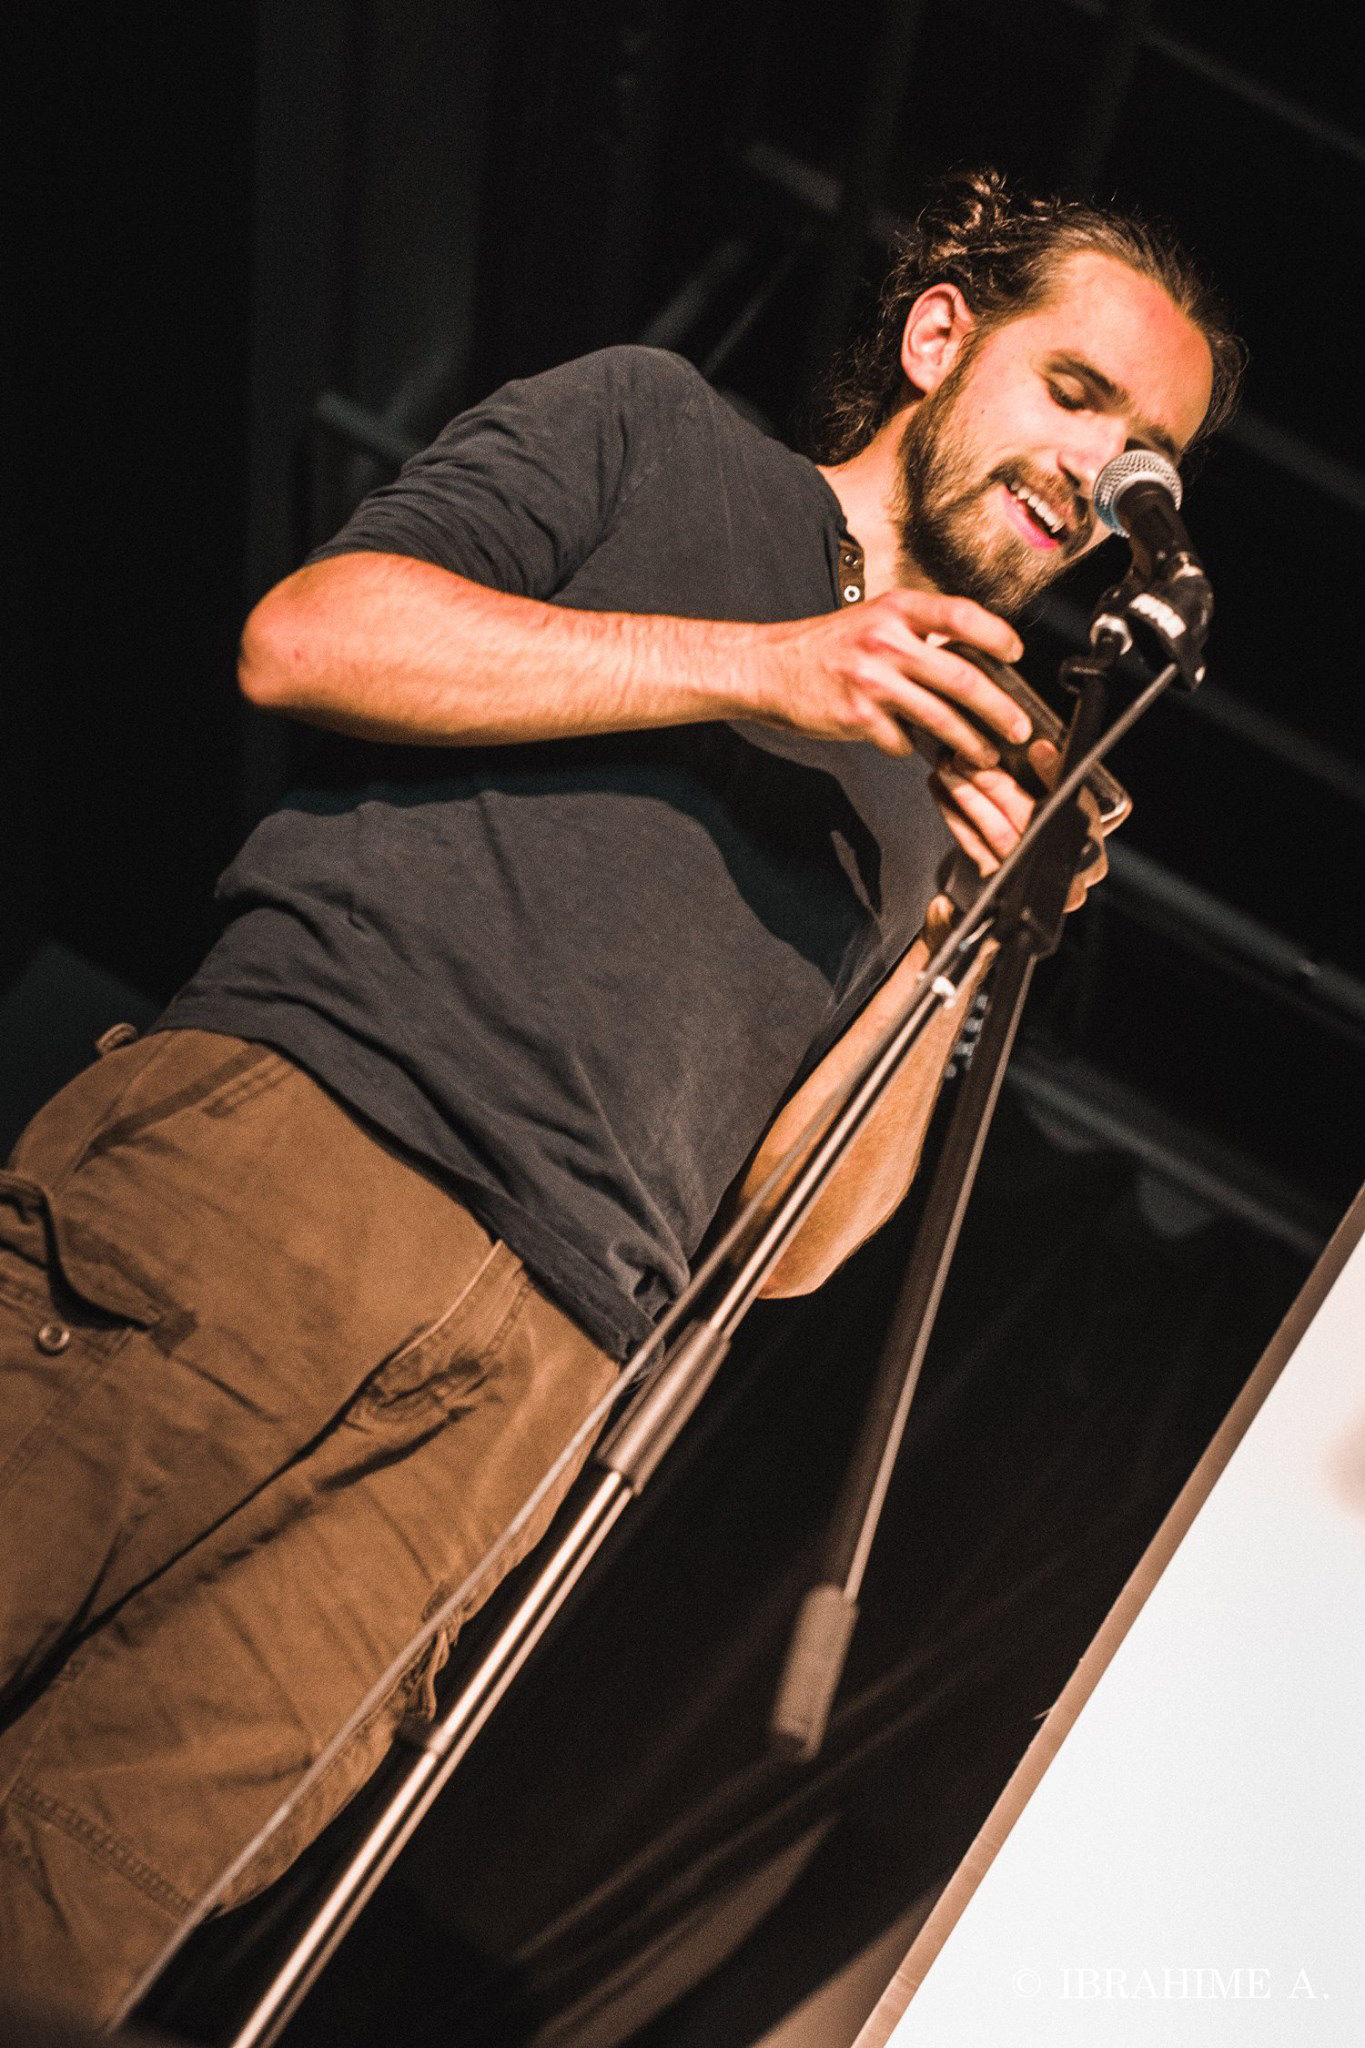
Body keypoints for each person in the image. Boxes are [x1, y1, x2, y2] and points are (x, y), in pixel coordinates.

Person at [0, 168, 1241, 2018]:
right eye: (1075, 393)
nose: (1103, 477)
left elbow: (798, 1241)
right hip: (288, 1165)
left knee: (72, 1916)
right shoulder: (656, 430)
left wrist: (963, 948)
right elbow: (309, 637)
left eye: (1151, 454)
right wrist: (769, 666)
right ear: (936, 341)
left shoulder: (926, 797)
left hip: (531, 1388)